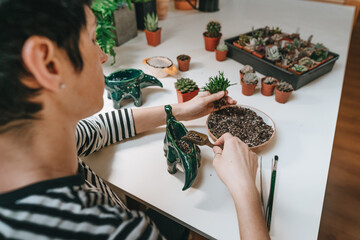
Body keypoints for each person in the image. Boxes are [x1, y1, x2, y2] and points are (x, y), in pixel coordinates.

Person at [0, 0, 269, 239]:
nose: (103, 56)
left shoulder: (35, 143)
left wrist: (180, 110)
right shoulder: (114, 231)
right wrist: (246, 191)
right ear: (48, 64)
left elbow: (99, 129)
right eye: (93, 39)